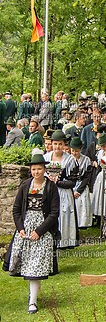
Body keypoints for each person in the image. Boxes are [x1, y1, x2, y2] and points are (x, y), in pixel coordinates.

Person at [3, 151, 60, 314]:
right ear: (31, 170)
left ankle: (33, 302)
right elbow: (16, 210)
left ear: (44, 169)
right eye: (34, 169)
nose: (37, 172)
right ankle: (32, 295)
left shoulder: (51, 187)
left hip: (43, 231)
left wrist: (40, 231)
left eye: (40, 169)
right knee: (26, 266)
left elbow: (54, 213)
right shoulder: (25, 185)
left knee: (36, 268)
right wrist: (21, 229)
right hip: (25, 231)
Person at [44, 130, 79, 248]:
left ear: (64, 145)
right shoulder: (46, 158)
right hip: (49, 192)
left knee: (63, 215)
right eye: (55, 144)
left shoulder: (69, 160)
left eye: (60, 144)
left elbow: (72, 182)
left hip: (63, 193)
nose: (57, 147)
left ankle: (64, 240)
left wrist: (58, 182)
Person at [69, 138, 93, 228]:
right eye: (72, 151)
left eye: (76, 151)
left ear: (80, 149)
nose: (74, 153)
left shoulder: (86, 160)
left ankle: (82, 224)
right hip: (71, 185)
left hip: (82, 184)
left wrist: (79, 190)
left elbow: (87, 177)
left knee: (82, 203)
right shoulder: (68, 159)